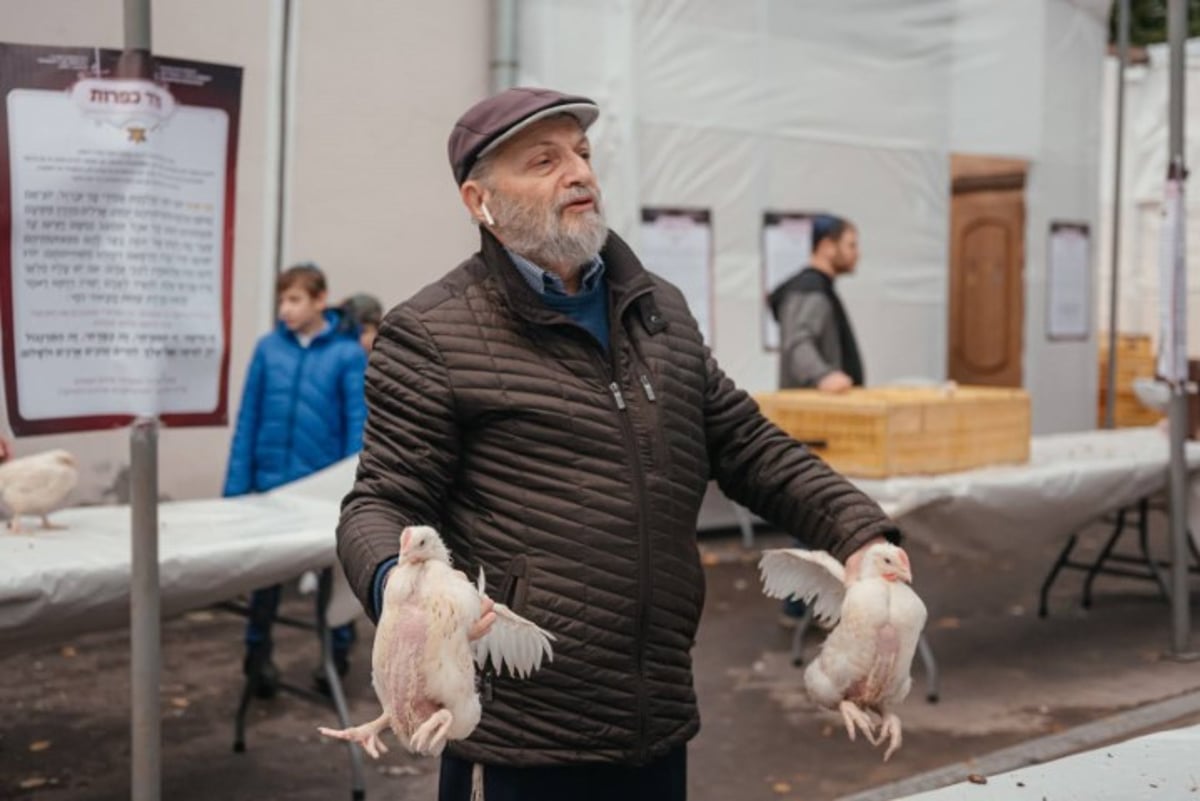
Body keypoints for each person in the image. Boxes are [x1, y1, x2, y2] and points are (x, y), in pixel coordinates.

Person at [336, 87, 902, 801]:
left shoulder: (656, 308)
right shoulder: (432, 332)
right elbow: (380, 499)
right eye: (544, 160)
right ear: (479, 199)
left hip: (656, 715)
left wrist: (859, 532)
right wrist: (405, 590)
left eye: (582, 153)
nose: (578, 172)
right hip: (521, 733)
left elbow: (747, 443)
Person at [224, 263, 368, 696]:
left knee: (332, 575)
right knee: (262, 581)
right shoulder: (269, 350)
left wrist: (352, 493)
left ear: (320, 300)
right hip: (270, 488)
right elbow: (248, 419)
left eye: (294, 299)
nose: (285, 309)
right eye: (281, 300)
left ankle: (335, 654)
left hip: (319, 495)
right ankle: (257, 654)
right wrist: (235, 491)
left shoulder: (346, 355)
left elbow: (356, 427)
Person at [768, 214, 864, 393]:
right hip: (812, 412)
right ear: (828, 246)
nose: (857, 254)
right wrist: (822, 375)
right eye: (851, 245)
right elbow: (797, 342)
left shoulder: (821, 289)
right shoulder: (809, 290)